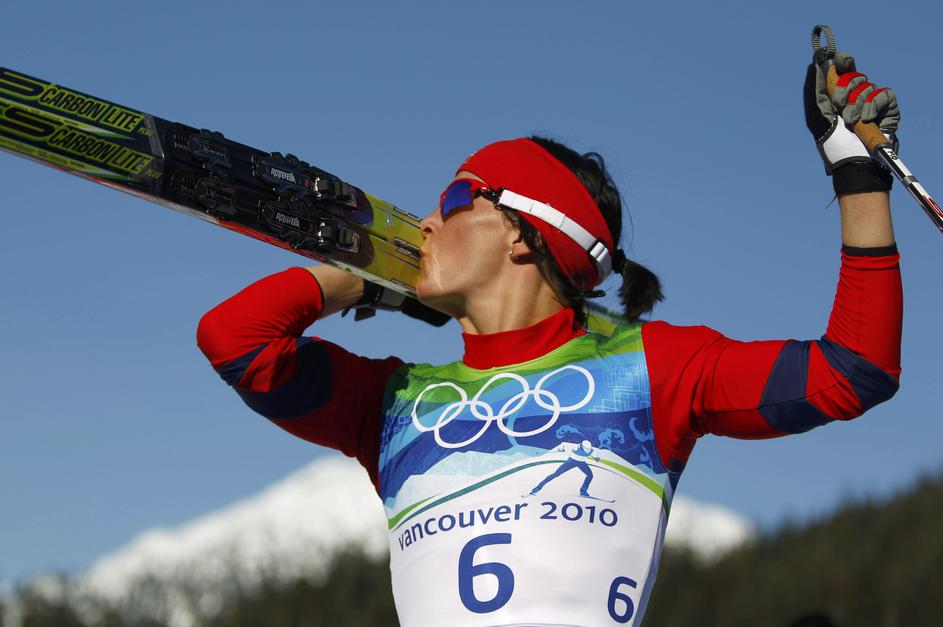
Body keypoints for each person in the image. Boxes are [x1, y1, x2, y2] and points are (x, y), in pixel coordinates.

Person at [196, 49, 902, 626]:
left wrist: (856, 173)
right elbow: (233, 340)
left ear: (523, 233)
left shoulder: (649, 365)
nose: (428, 223)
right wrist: (365, 273)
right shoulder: (396, 401)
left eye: (455, 199)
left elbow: (853, 370)